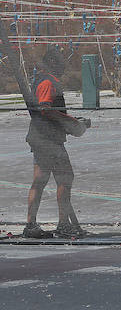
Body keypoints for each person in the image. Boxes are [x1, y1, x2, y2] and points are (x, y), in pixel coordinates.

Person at [24, 46, 90, 238]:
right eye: (60, 63)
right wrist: (72, 123)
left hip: (42, 137)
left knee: (40, 181)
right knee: (65, 178)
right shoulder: (48, 83)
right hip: (48, 139)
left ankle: (32, 224)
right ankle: (63, 223)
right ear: (52, 63)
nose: (63, 67)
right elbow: (46, 110)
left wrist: (70, 121)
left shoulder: (43, 80)